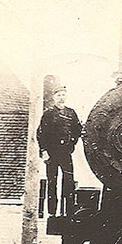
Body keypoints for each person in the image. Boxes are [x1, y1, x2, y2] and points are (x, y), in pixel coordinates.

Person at [37, 85, 82, 217]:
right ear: (54, 97)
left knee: (69, 180)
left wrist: (71, 142)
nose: (61, 98)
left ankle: (68, 211)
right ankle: (52, 212)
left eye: (63, 95)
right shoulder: (48, 114)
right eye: (58, 95)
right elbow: (41, 134)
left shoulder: (71, 113)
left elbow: (78, 130)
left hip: (65, 153)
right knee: (52, 182)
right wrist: (44, 151)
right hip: (51, 153)